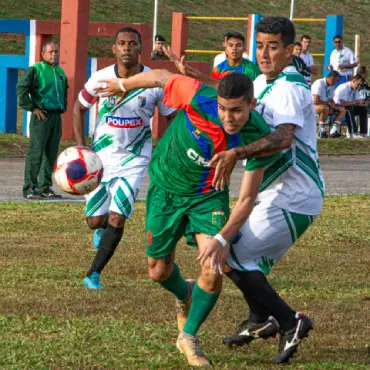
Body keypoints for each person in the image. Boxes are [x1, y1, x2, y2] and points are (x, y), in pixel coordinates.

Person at [95, 71, 280, 367]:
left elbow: (246, 198)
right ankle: (185, 293)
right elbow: (160, 77)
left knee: (214, 267)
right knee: (157, 271)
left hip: (209, 196)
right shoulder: (198, 96)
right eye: (223, 108)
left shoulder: (256, 136)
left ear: (252, 105)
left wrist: (222, 239)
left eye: (236, 110)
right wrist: (122, 85)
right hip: (165, 188)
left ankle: (189, 337)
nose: (227, 117)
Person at [176, 16, 321, 364]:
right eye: (261, 45)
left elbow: (282, 139)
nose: (265, 53)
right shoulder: (260, 81)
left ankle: (290, 320)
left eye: (273, 46)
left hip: (295, 193)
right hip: (273, 191)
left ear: (290, 50)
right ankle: (261, 318)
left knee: (231, 254)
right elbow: (227, 91)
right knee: (234, 253)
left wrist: (237, 153)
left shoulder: (289, 86)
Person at [73, 27, 176, 289]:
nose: (127, 47)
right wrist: (81, 148)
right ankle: (100, 227)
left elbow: (171, 118)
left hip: (135, 160)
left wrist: (167, 150)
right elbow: (78, 108)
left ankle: (93, 274)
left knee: (118, 218)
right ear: (114, 49)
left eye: (132, 43)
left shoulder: (154, 81)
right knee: (95, 221)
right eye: (122, 43)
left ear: (140, 48)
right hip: (101, 160)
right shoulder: (99, 78)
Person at [17, 41, 68, 200]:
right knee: (36, 152)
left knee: (51, 154)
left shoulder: (60, 72)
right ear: (43, 54)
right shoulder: (36, 70)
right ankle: (30, 187)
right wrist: (32, 107)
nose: (54, 54)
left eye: (56, 51)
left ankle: (45, 187)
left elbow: (64, 92)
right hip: (42, 116)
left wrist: (62, 108)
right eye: (51, 51)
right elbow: (22, 88)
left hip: (56, 117)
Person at [311, 70, 346, 138]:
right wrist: (328, 104)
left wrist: (332, 103)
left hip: (326, 105)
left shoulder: (331, 85)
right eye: (336, 81)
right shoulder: (319, 84)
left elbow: (331, 98)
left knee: (342, 110)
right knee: (325, 108)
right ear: (331, 78)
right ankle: (322, 131)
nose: (336, 82)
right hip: (313, 106)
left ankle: (333, 132)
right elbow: (315, 101)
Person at [333, 74, 369, 138]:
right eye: (358, 84)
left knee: (363, 109)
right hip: (337, 106)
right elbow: (343, 103)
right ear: (353, 81)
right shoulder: (344, 88)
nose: (358, 86)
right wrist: (356, 102)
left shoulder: (355, 89)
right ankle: (352, 133)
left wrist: (364, 103)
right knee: (349, 109)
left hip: (347, 106)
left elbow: (357, 102)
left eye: (360, 85)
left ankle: (363, 132)